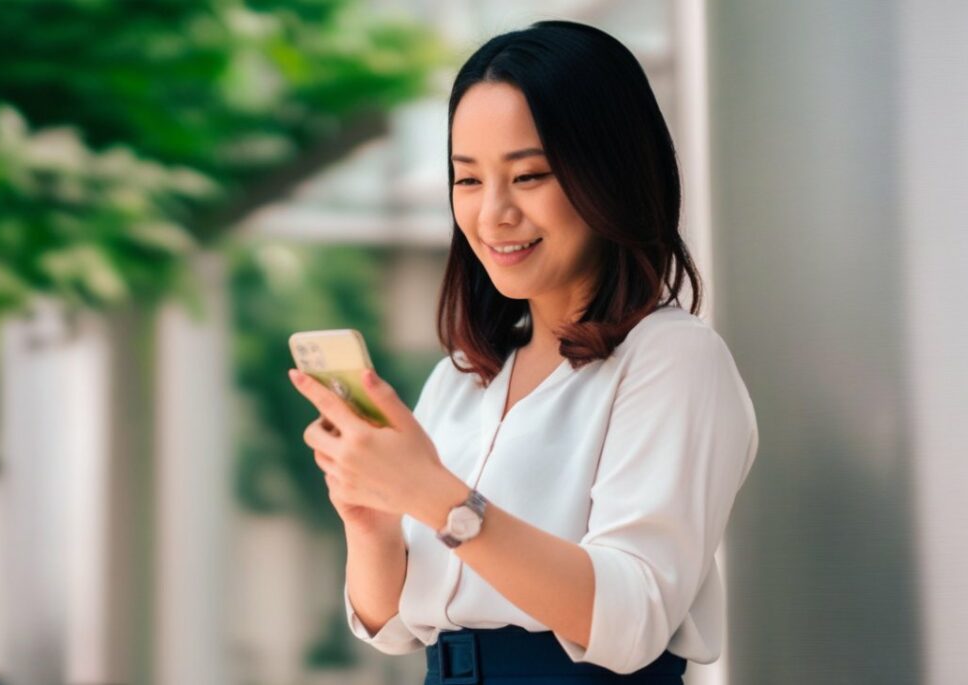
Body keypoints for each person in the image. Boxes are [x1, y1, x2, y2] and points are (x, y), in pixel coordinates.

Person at [287, 19, 758, 685]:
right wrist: (371, 519)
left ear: (610, 174)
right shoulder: (461, 379)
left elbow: (631, 618)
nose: (492, 213)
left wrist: (437, 496)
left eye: (529, 175)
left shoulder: (672, 359)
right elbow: (391, 623)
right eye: (468, 179)